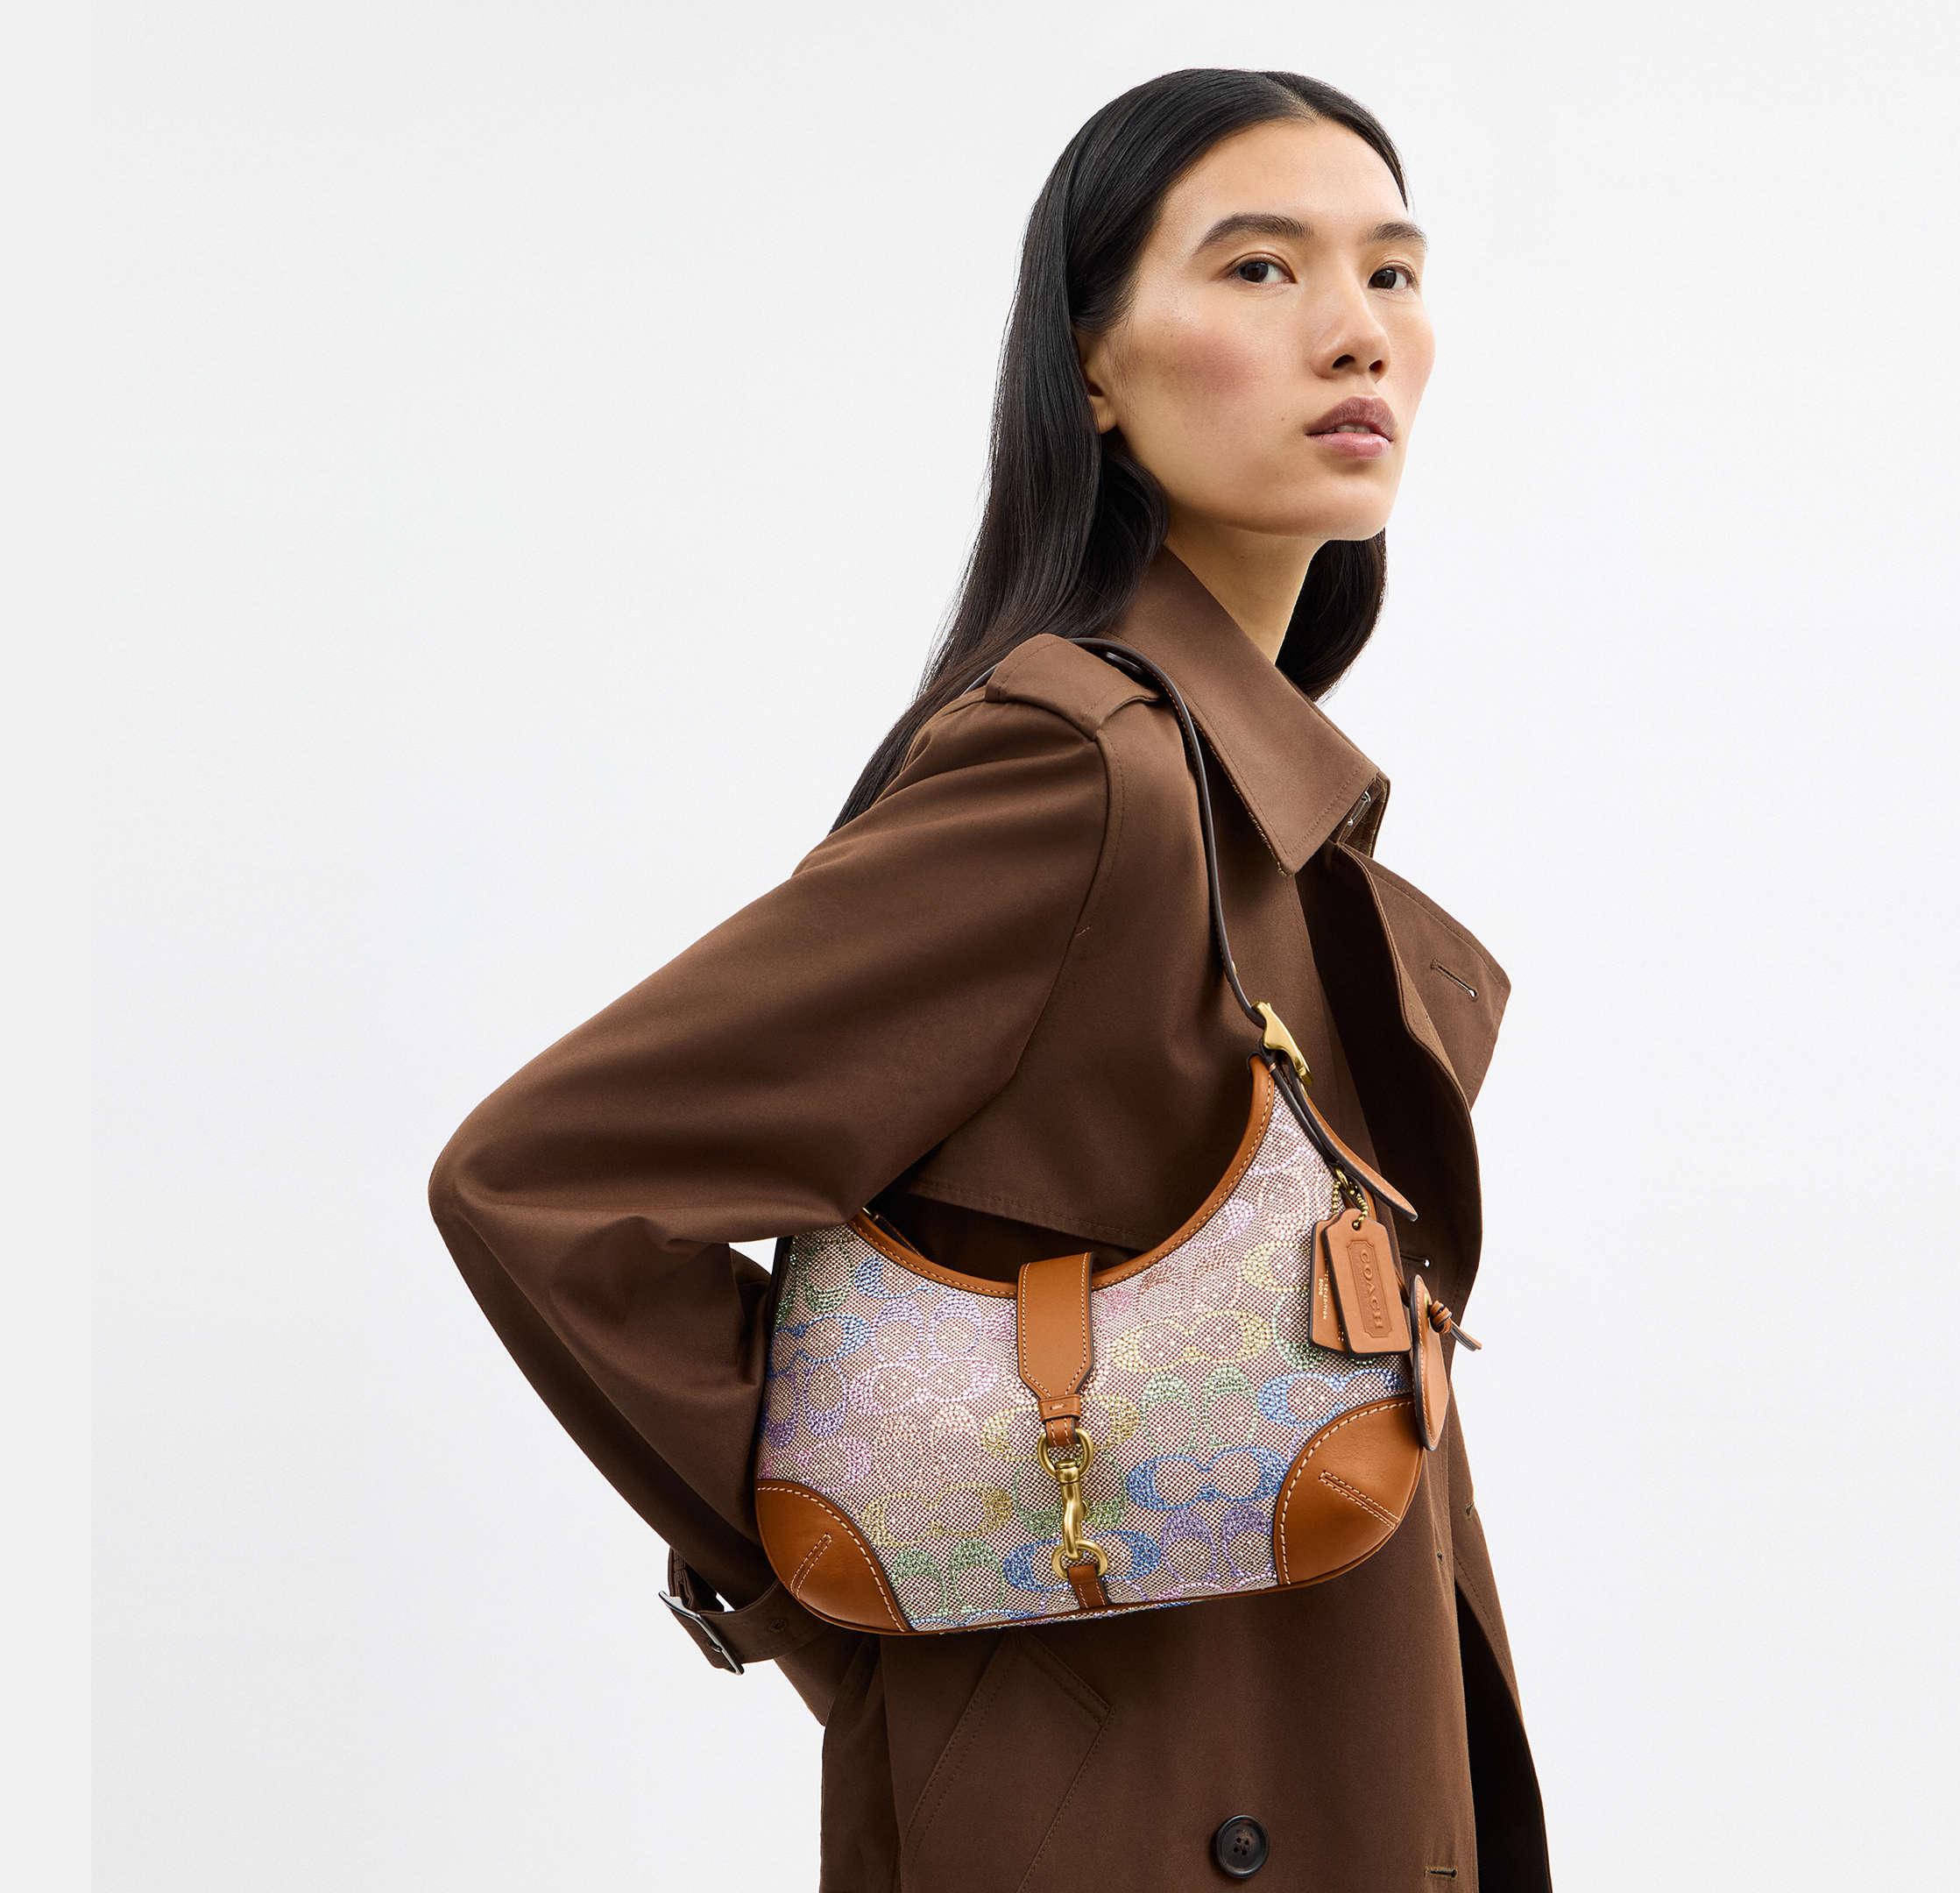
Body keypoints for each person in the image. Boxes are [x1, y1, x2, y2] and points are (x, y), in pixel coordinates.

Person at [428, 66, 1550, 1892]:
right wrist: (873, 1572)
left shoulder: (1233, 802)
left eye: (1392, 271)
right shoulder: (1086, 776)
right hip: (1149, 1816)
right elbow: (545, 1184)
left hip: (1311, 1758)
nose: (1356, 329)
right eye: (1260, 268)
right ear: (1091, 368)